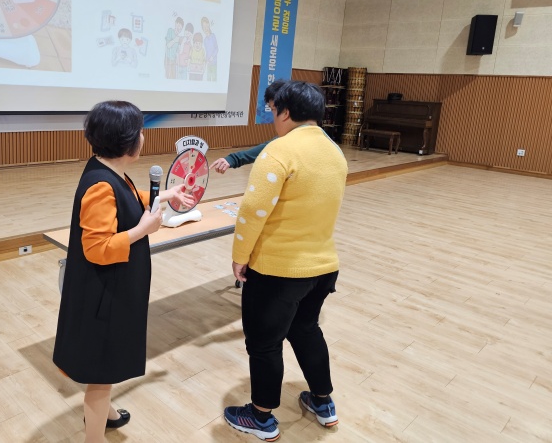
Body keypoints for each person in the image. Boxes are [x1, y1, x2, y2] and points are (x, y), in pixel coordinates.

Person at [53, 101, 194, 443]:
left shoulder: (107, 171)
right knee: (101, 370)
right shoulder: (101, 185)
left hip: (112, 289)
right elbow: (97, 248)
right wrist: (142, 230)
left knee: (108, 360)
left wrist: (165, 195)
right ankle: (94, 437)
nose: (144, 137)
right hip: (104, 296)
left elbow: (129, 198)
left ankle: (106, 411)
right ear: (127, 142)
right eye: (141, 132)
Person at [223, 81, 348, 441]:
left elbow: (252, 211)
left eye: (274, 110)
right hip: (323, 266)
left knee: (264, 342)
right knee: (306, 329)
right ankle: (323, 402)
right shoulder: (334, 151)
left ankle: (261, 417)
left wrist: (239, 257)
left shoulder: (279, 151)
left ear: (286, 112)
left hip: (278, 270)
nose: (273, 118)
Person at [209, 81, 284, 174]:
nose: (274, 116)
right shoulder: (283, 139)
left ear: (287, 112)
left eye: (273, 109)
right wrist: (233, 159)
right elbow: (268, 146)